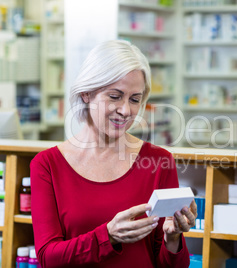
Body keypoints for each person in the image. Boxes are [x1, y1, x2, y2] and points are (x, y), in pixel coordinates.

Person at [30, 40, 197, 267]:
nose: (126, 110)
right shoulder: (47, 165)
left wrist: (173, 237)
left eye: (135, 99)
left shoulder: (158, 161)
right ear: (87, 93)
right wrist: (108, 236)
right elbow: (48, 258)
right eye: (115, 96)